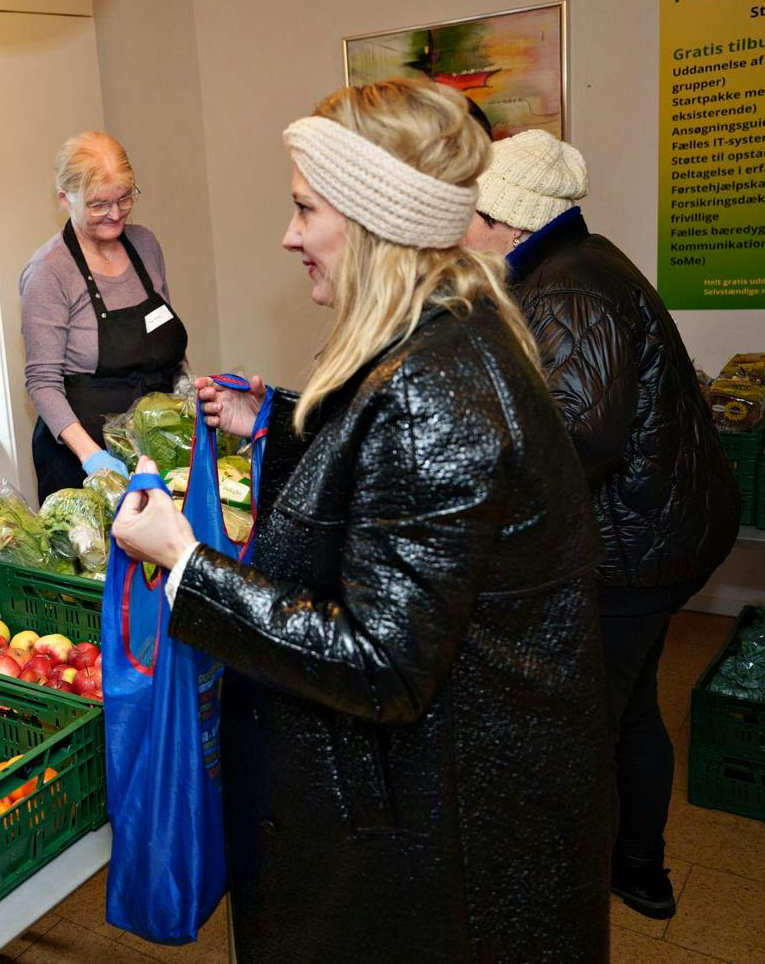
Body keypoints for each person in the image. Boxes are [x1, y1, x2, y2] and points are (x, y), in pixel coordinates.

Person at [112, 79, 610, 963]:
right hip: (445, 806)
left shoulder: (433, 388)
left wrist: (185, 563)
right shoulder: (449, 339)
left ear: (378, 220)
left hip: (428, 845)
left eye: (305, 208)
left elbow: (383, 664)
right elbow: (391, 481)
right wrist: (278, 417)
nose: (288, 234)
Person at [465, 129, 740, 919]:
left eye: (472, 212)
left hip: (636, 545)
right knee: (633, 701)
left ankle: (579, 883)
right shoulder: (578, 259)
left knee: (588, 721)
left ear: (508, 219)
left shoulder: (567, 286)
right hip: (666, 528)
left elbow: (580, 432)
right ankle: (639, 866)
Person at [20, 132, 187, 502]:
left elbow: (165, 336)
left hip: (158, 442)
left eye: (124, 198)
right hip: (83, 459)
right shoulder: (49, 271)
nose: (115, 214)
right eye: (98, 205)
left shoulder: (145, 244)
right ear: (65, 198)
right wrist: (90, 455)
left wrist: (189, 395)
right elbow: (42, 381)